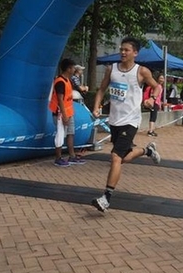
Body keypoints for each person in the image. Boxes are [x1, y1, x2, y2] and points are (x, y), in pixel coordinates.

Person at [91, 37, 162, 212]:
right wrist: (96, 107)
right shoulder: (112, 69)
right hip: (114, 120)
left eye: (126, 50)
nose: (122, 52)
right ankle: (148, 151)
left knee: (115, 157)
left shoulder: (141, 71)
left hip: (131, 121)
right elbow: (101, 90)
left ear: (135, 53)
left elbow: (157, 87)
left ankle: (106, 198)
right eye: (121, 49)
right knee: (123, 158)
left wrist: (152, 99)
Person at [49, 58, 86, 167]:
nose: (74, 70)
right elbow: (60, 99)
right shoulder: (60, 82)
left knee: (70, 133)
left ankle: (72, 156)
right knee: (60, 135)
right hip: (61, 113)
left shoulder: (67, 81)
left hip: (68, 112)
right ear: (68, 69)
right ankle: (58, 158)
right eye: (73, 68)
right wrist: (64, 115)